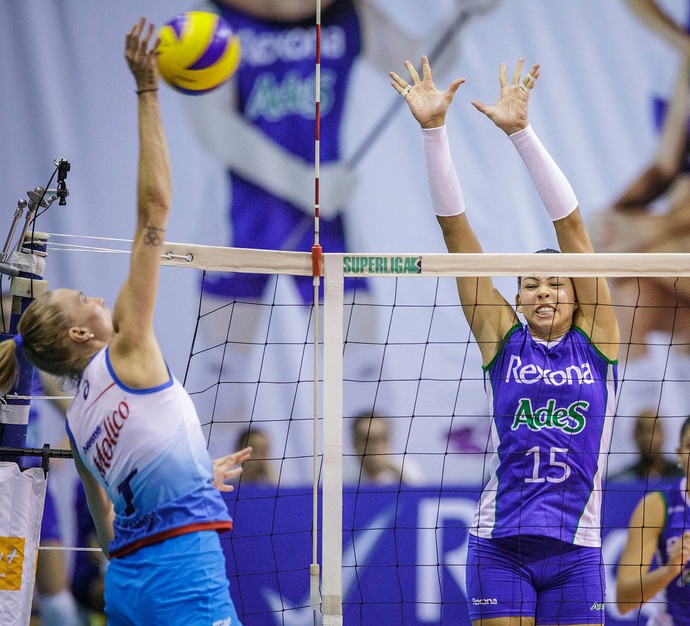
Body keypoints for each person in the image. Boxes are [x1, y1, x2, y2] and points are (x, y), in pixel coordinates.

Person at [0, 19, 252, 625]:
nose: (95, 298)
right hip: (182, 575)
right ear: (81, 334)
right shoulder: (129, 351)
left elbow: (112, 532)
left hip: (130, 587)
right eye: (83, 296)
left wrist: (189, 478)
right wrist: (147, 91)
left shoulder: (81, 420)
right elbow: (154, 212)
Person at [391, 55, 620, 623]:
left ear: (576, 296)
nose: (544, 292)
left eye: (556, 284)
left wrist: (521, 133)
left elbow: (572, 230)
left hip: (578, 551)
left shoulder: (599, 340)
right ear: (517, 298)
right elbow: (456, 235)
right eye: (531, 285)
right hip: (501, 546)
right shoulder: (502, 339)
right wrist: (433, 131)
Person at [616, 414, 690, 624]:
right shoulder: (657, 505)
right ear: (679, 454)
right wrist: (669, 571)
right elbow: (623, 600)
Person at [343, 413, 423, 486]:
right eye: (366, 440)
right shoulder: (342, 473)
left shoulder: (408, 469)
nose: (373, 446)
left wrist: (396, 473)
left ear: (388, 441)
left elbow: (416, 498)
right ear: (354, 443)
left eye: (380, 439)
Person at [609, 408, 684, 482]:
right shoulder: (622, 480)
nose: (649, 437)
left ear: (664, 433)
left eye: (654, 430)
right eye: (642, 430)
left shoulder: (683, 477)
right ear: (634, 435)